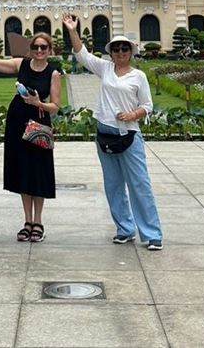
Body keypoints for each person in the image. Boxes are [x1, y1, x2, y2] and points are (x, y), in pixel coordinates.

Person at [62, 13, 163, 251]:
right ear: (111, 53)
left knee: (139, 184)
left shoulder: (139, 76)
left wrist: (132, 115)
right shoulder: (105, 69)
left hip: (128, 133)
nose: (120, 53)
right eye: (116, 49)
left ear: (131, 52)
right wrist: (72, 30)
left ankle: (151, 233)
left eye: (124, 49)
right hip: (105, 131)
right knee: (113, 184)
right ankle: (125, 229)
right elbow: (82, 55)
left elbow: (147, 106)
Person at [0, 23, 60, 242]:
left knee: (38, 172)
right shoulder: (21, 64)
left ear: (50, 50)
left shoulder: (53, 73)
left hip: (39, 125)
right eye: (36, 47)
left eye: (43, 47)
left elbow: (56, 106)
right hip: (18, 122)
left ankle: (38, 222)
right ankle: (27, 221)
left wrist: (38, 102)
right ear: (30, 49)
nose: (39, 51)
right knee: (23, 171)